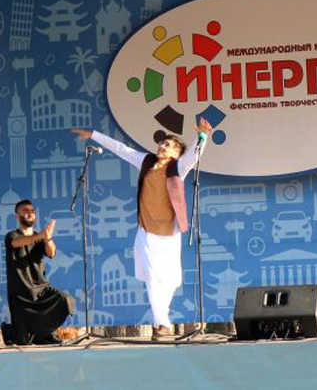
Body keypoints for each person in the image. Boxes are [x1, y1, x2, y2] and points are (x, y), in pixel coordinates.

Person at [71, 118, 212, 340]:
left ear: (176, 153)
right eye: (162, 143)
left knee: (170, 279)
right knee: (152, 276)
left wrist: (202, 135)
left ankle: (161, 321)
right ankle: (162, 324)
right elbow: (121, 149)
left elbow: (194, 155)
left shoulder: (178, 167)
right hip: (147, 230)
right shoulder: (145, 161)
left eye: (168, 145)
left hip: (170, 231)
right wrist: (93, 135)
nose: (162, 146)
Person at [3, 199, 75, 345]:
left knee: (66, 301)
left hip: (41, 291)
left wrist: (48, 238)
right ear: (17, 216)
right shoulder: (12, 235)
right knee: (22, 342)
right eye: (25, 211)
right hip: (21, 295)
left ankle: (45, 334)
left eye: (32, 211)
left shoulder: (40, 238)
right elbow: (16, 243)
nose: (30, 214)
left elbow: (51, 253)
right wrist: (40, 236)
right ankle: (8, 330)